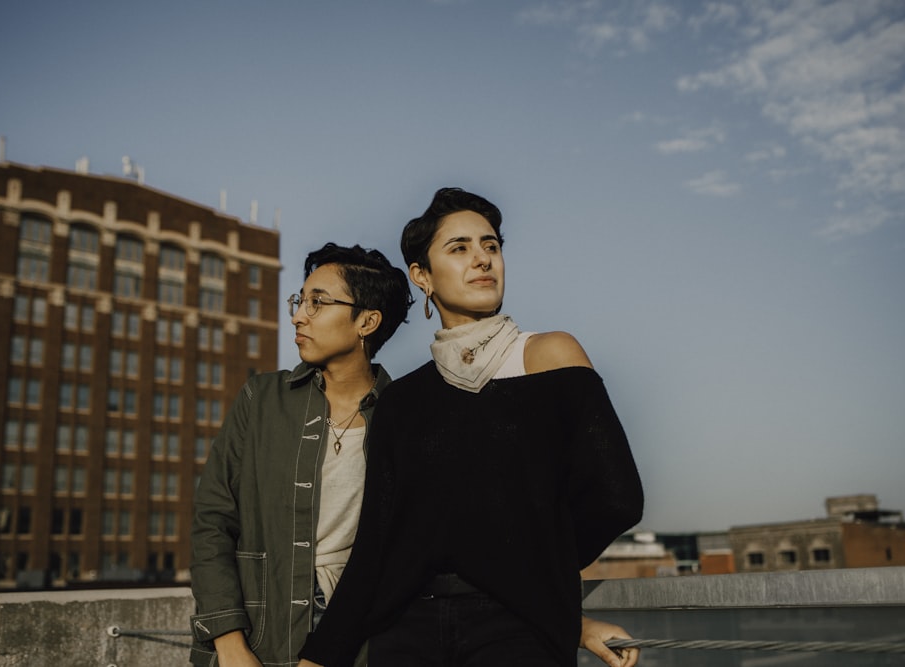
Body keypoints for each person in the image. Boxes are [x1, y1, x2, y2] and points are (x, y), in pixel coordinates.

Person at [298, 188, 644, 667]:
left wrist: (536, 578)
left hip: (516, 631)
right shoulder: (402, 401)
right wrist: (319, 657)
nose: (482, 259)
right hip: (406, 632)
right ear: (423, 276)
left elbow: (618, 497)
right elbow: (377, 547)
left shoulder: (550, 357)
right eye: (459, 248)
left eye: (491, 246)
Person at [189, 242, 414, 667]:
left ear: (367, 321)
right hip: (258, 639)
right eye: (300, 300)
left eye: (318, 302)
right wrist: (230, 643)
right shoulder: (262, 399)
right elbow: (212, 524)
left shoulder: (405, 418)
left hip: (361, 645)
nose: (298, 315)